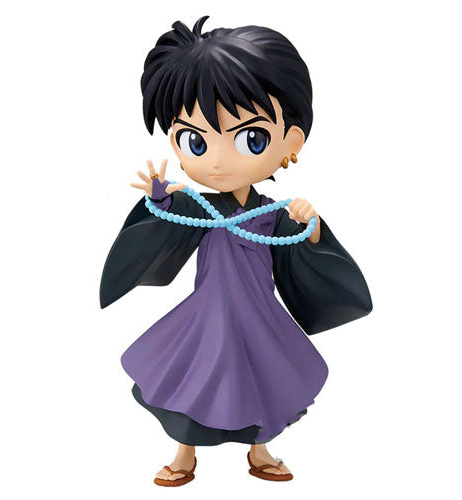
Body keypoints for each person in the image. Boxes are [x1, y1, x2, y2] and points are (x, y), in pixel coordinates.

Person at [100, 16, 372, 486]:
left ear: (291, 141)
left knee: (262, 380)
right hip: (209, 314)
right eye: (196, 140)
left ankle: (259, 450)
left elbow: (301, 254)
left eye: (250, 138)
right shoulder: (198, 206)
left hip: (258, 314)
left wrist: (308, 229)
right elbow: (167, 222)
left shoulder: (272, 212)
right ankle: (184, 454)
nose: (219, 160)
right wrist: (161, 200)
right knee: (194, 383)